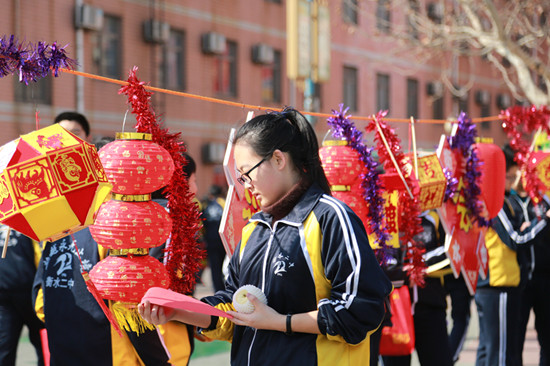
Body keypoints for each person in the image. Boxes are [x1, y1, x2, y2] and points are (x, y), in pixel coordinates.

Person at [139, 107, 393, 365]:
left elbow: (362, 309)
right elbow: (235, 311)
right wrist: (179, 311)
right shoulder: (253, 229)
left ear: (278, 159)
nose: (245, 184)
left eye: (247, 172)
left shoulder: (330, 217)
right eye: (240, 177)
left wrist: (280, 322)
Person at [32, 116, 193, 365]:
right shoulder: (118, 228)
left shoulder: (60, 224)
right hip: (111, 355)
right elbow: (132, 312)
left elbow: (40, 302)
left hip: (63, 352)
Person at [474, 145, 550, 366]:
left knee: (493, 351)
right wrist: (544, 220)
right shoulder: (495, 203)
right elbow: (517, 239)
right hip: (498, 283)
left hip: (505, 282)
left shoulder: (500, 200)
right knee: (500, 353)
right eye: (509, 174)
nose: (512, 179)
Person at [381, 210, 453, 366]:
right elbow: (379, 265)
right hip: (396, 310)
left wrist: (417, 267)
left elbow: (452, 252)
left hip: (430, 306)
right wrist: (404, 275)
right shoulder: (383, 217)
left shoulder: (434, 217)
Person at [509, 149, 550, 366]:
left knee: (547, 340)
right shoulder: (511, 203)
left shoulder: (544, 203)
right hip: (521, 279)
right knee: (515, 341)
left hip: (545, 279)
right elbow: (515, 236)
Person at [0, 226, 44, 366]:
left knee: (44, 344)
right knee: (4, 347)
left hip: (32, 292)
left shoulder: (26, 216)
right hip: (4, 298)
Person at [202, 184, 227, 292]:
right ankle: (227, 290)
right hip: (223, 241)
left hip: (210, 241)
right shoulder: (223, 203)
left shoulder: (206, 205)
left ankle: (218, 291)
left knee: (215, 268)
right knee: (225, 267)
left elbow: (202, 223)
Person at [444, 273, 473, 364]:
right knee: (461, 320)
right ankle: (449, 358)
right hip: (460, 275)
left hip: (442, 272)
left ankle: (447, 357)